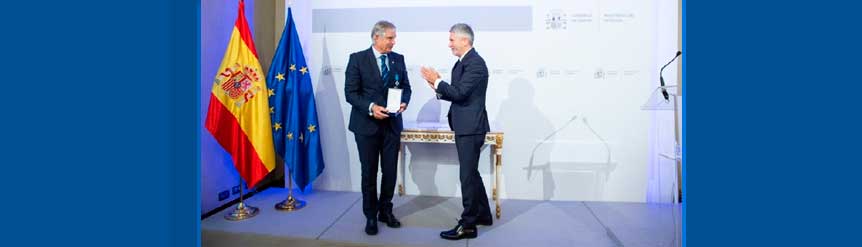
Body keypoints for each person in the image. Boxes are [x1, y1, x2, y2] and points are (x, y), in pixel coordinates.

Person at [420, 23, 492, 240]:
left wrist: (438, 81)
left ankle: (468, 225)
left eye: (452, 39)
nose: (449, 44)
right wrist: (437, 86)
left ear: (465, 40)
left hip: (471, 128)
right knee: (471, 173)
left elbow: (459, 94)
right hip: (464, 126)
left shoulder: (476, 64)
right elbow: (456, 93)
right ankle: (483, 214)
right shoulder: (461, 64)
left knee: (467, 176)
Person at [345, 20, 411, 236]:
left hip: (391, 126)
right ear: (376, 37)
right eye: (390, 38)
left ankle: (386, 210)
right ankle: (370, 215)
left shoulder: (398, 59)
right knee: (369, 172)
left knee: (390, 172)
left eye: (394, 37)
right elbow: (351, 93)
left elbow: (406, 88)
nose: (394, 41)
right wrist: (371, 107)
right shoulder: (357, 59)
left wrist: (404, 102)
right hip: (366, 126)